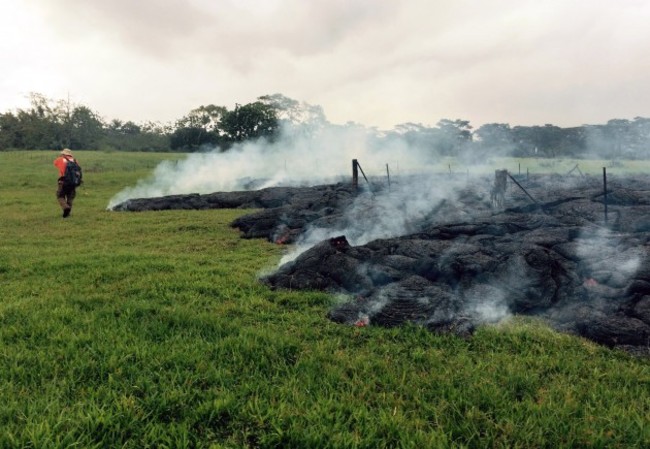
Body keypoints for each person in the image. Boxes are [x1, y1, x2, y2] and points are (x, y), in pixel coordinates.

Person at [53, 148, 81, 218]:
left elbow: (55, 163)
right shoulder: (75, 161)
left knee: (60, 196)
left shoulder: (60, 159)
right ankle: (67, 214)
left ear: (63, 154)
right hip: (73, 182)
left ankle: (66, 207)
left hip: (63, 181)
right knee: (70, 197)